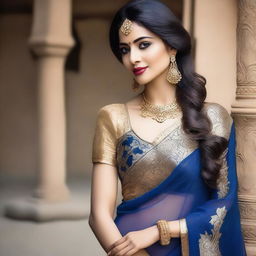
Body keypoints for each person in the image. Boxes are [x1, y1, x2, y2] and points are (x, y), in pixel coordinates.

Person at [88, 0, 246, 255]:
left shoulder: (213, 118)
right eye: (125, 49)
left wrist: (160, 230)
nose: (133, 58)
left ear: (172, 46)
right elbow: (98, 215)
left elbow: (224, 205)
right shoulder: (113, 117)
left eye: (143, 45)